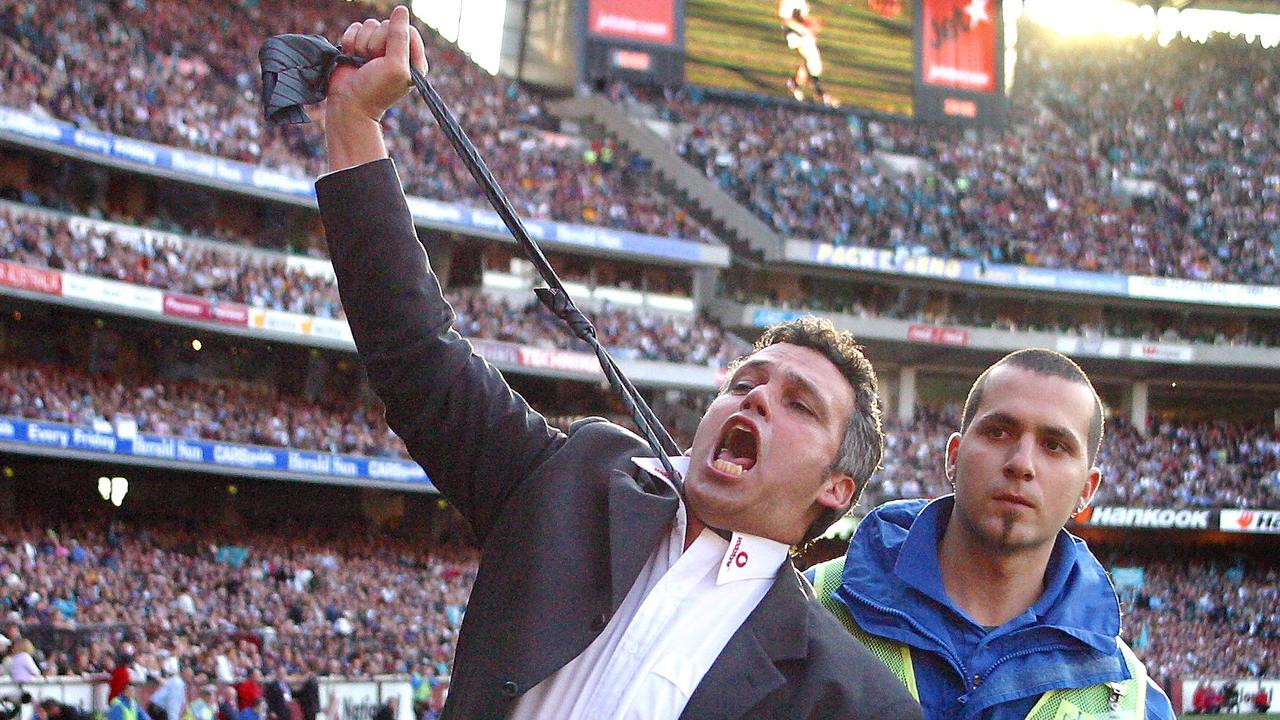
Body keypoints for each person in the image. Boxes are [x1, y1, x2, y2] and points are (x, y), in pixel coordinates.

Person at [311, 7, 921, 720]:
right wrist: (354, 122)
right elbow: (418, 358)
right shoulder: (577, 480)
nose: (755, 400)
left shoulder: (851, 699)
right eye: (746, 382)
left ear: (837, 488)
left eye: (799, 404)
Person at [809, 349, 1176, 718]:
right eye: (998, 432)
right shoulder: (809, 605)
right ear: (953, 456)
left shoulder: (1132, 702)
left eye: (1055, 445)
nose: (1022, 463)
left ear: (1087, 489)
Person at [777, 0, 834, 106]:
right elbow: (786, 21)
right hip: (795, 34)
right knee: (813, 62)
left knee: (812, 63)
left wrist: (810, 24)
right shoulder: (788, 4)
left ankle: (804, 87)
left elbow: (801, 18)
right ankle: (817, 91)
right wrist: (805, 29)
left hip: (801, 33)